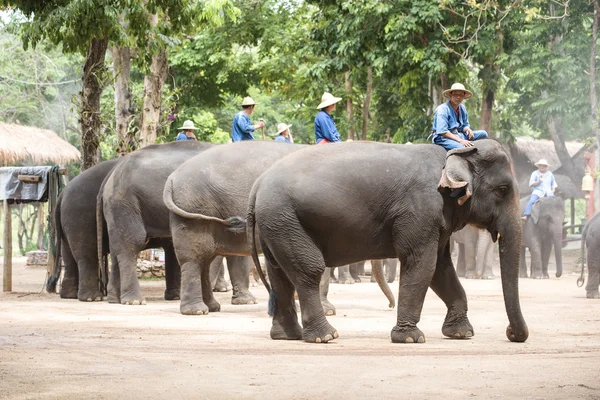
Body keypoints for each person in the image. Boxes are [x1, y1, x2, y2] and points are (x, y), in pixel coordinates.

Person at [431, 83, 489, 151]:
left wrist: (467, 129)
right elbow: (443, 132)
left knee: (483, 133)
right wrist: (460, 141)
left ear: (464, 96)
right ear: (450, 94)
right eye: (456, 94)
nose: (458, 97)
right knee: (464, 148)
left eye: (461, 95)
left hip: (459, 135)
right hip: (444, 138)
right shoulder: (442, 109)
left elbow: (465, 125)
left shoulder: (462, 108)